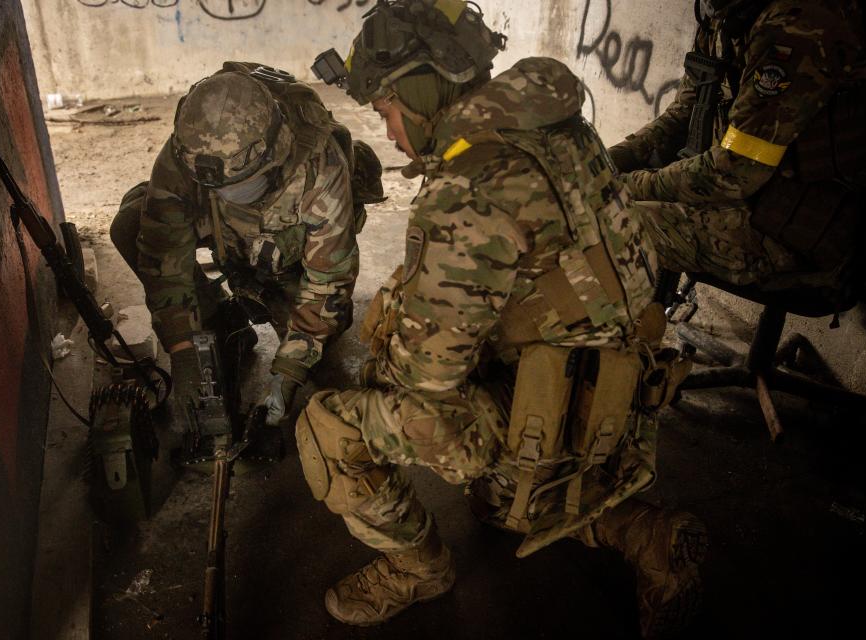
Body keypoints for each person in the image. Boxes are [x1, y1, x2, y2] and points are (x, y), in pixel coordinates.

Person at [301, 1, 705, 637]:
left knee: (328, 427)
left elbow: (424, 380)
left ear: (417, 88)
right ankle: (645, 534)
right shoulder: (557, 126)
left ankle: (418, 569)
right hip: (616, 395)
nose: (386, 132)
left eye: (385, 109)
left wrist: (395, 321)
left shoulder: (467, 186)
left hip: (539, 411)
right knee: (502, 503)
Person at [110, 62, 382, 452]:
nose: (228, 195)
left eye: (241, 187)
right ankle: (222, 320)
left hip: (286, 258)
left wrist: (287, 373)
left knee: (314, 359)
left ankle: (269, 302)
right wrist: (182, 349)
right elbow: (163, 255)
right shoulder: (188, 153)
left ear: (272, 158)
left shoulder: (320, 165)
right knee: (132, 224)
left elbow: (328, 280)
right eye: (217, 188)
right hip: (227, 240)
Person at [608, 0, 866, 290]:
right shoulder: (725, 13)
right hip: (742, 198)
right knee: (589, 207)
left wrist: (623, 187)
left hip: (789, 228)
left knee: (603, 228)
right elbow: (681, 113)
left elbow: (735, 170)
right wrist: (605, 163)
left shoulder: (795, 23)